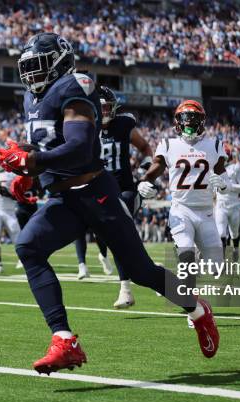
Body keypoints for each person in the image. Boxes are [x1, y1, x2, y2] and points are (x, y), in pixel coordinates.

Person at [0, 33, 219, 374]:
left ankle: (197, 310)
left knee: (143, 272)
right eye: (27, 68)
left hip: (96, 193)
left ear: (59, 63)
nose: (31, 75)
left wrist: (32, 163)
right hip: (64, 198)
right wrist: (29, 170)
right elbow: (45, 139)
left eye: (38, 67)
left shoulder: (75, 87)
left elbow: (80, 147)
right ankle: (64, 339)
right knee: (28, 248)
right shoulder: (32, 98)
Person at [138, 99, 227, 327]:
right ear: (178, 122)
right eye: (185, 120)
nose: (189, 124)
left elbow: (222, 172)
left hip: (207, 212)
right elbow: (157, 165)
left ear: (201, 122)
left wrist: (223, 182)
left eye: (193, 120)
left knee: (217, 268)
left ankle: (164, 279)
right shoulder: (168, 144)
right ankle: (192, 310)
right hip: (181, 209)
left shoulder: (214, 145)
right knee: (187, 256)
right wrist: (145, 180)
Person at [74, 86, 154, 308]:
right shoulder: (86, 129)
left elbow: (146, 147)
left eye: (108, 107)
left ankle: (126, 289)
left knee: (118, 234)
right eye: (100, 108)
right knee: (119, 240)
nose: (105, 112)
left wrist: (146, 168)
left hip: (126, 188)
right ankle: (156, 275)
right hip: (101, 190)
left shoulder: (123, 124)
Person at [214, 143, 240, 261]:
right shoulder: (215, 169)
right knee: (220, 233)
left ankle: (236, 250)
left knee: (234, 234)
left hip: (234, 206)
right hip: (220, 205)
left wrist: (230, 186)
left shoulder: (235, 168)